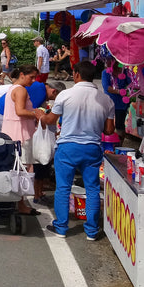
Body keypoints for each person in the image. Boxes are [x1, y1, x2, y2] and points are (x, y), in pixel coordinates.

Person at [40, 61, 115, 239]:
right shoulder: (106, 99)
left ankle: (61, 227)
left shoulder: (65, 95)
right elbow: (109, 130)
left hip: (68, 147)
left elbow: (50, 120)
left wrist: (41, 115)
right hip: (92, 148)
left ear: (76, 74)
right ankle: (91, 231)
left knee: (63, 188)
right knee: (92, 189)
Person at [2, 65, 44, 215]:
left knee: (17, 168)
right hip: (20, 133)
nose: (33, 80)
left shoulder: (13, 88)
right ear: (22, 75)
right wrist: (36, 113)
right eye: (31, 77)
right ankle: (20, 204)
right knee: (21, 168)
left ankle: (17, 202)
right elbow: (20, 111)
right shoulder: (20, 90)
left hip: (13, 130)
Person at [102, 63, 131, 136]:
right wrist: (118, 91)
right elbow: (106, 87)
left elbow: (130, 84)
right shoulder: (106, 72)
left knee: (120, 126)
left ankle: (119, 141)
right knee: (107, 126)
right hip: (109, 102)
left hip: (121, 104)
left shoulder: (125, 72)